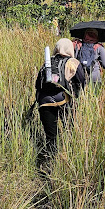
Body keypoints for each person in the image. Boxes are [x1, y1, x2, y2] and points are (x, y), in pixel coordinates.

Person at [35, 38, 85, 166]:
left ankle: (49, 163)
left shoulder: (48, 62)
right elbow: (82, 80)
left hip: (44, 103)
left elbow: (37, 84)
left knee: (51, 136)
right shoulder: (72, 62)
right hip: (64, 100)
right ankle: (68, 160)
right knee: (69, 129)